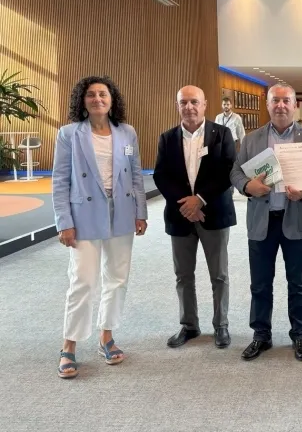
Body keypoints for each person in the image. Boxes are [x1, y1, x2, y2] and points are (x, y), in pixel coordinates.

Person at [52, 76, 148, 379]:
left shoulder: (127, 133)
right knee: (82, 280)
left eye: (103, 94)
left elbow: (135, 175)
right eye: (91, 94)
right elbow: (60, 180)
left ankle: (106, 336)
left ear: (111, 99)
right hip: (84, 215)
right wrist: (64, 222)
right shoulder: (69, 134)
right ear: (82, 101)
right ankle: (69, 345)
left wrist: (141, 213)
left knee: (117, 278)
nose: (97, 99)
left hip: (121, 213)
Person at [231, 83, 302, 362]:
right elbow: (236, 172)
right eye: (275, 100)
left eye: (286, 101)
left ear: (295, 105)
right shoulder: (252, 139)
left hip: (294, 219)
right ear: (268, 104)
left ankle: (300, 333)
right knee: (260, 283)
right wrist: (247, 186)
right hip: (261, 221)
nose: (281, 105)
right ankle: (261, 334)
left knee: (298, 282)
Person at [154, 86, 236, 350]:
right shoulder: (167, 138)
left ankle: (221, 325)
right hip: (180, 216)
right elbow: (161, 175)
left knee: (219, 275)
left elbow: (228, 171)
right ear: (178, 105)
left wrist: (199, 199)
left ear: (204, 104)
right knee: (183, 276)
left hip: (214, 213)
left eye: (194, 102)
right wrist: (187, 205)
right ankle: (189, 325)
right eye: (183, 102)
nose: (189, 107)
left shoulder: (222, 134)